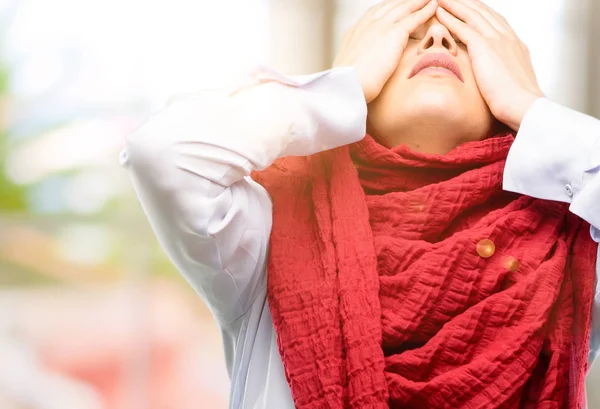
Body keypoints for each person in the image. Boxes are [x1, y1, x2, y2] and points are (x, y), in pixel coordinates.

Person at [121, 0, 600, 407]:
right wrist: (338, 86)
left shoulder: (567, 247)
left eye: (468, 42)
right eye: (408, 37)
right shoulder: (273, 230)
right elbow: (163, 153)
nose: (438, 42)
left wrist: (532, 106)